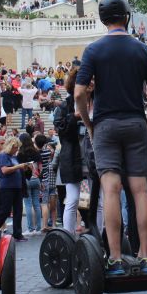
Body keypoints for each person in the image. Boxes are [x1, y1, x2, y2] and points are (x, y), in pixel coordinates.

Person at [75, 0, 147, 276]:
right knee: (140, 190)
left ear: (103, 19)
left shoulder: (93, 50)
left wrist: (89, 123)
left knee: (111, 189)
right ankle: (145, 256)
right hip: (135, 121)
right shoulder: (143, 50)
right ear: (127, 17)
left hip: (105, 124)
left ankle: (114, 258)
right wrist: (146, 124)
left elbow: (79, 92)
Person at [53, 68, 84, 234]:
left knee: (99, 201)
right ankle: (68, 238)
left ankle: (100, 238)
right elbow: (62, 131)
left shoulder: (97, 101)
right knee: (72, 200)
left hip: (93, 155)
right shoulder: (65, 106)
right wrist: (75, 117)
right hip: (73, 156)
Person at [0, 138, 29, 241]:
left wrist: (23, 167)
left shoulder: (13, 156)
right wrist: (19, 166)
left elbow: (14, 168)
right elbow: (4, 170)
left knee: (18, 210)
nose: (16, 149)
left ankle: (17, 233)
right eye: (15, 147)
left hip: (16, 186)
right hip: (7, 187)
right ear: (11, 146)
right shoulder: (3, 155)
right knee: (5, 211)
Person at [17, 133, 42, 235]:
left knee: (28, 204)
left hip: (26, 179)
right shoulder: (36, 152)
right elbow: (40, 167)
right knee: (36, 204)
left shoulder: (20, 154)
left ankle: (30, 228)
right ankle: (38, 228)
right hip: (36, 179)